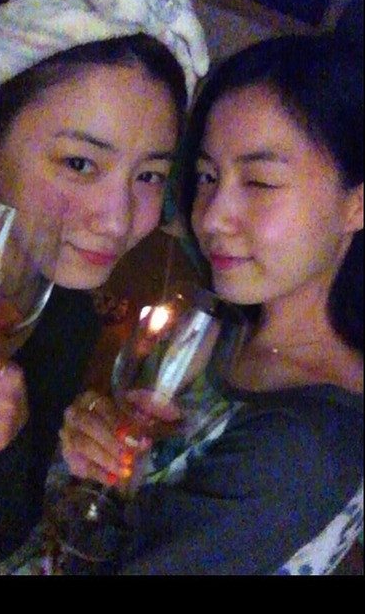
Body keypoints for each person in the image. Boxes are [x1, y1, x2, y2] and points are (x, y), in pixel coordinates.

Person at [0, 0, 209, 571]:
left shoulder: (68, 313)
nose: (119, 220)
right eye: (80, 162)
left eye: (149, 175)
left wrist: (9, 442)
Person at [62, 33, 363, 575]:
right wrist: (98, 457)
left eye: (260, 181)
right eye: (207, 176)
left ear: (357, 204)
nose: (212, 216)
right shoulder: (218, 327)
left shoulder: (305, 445)